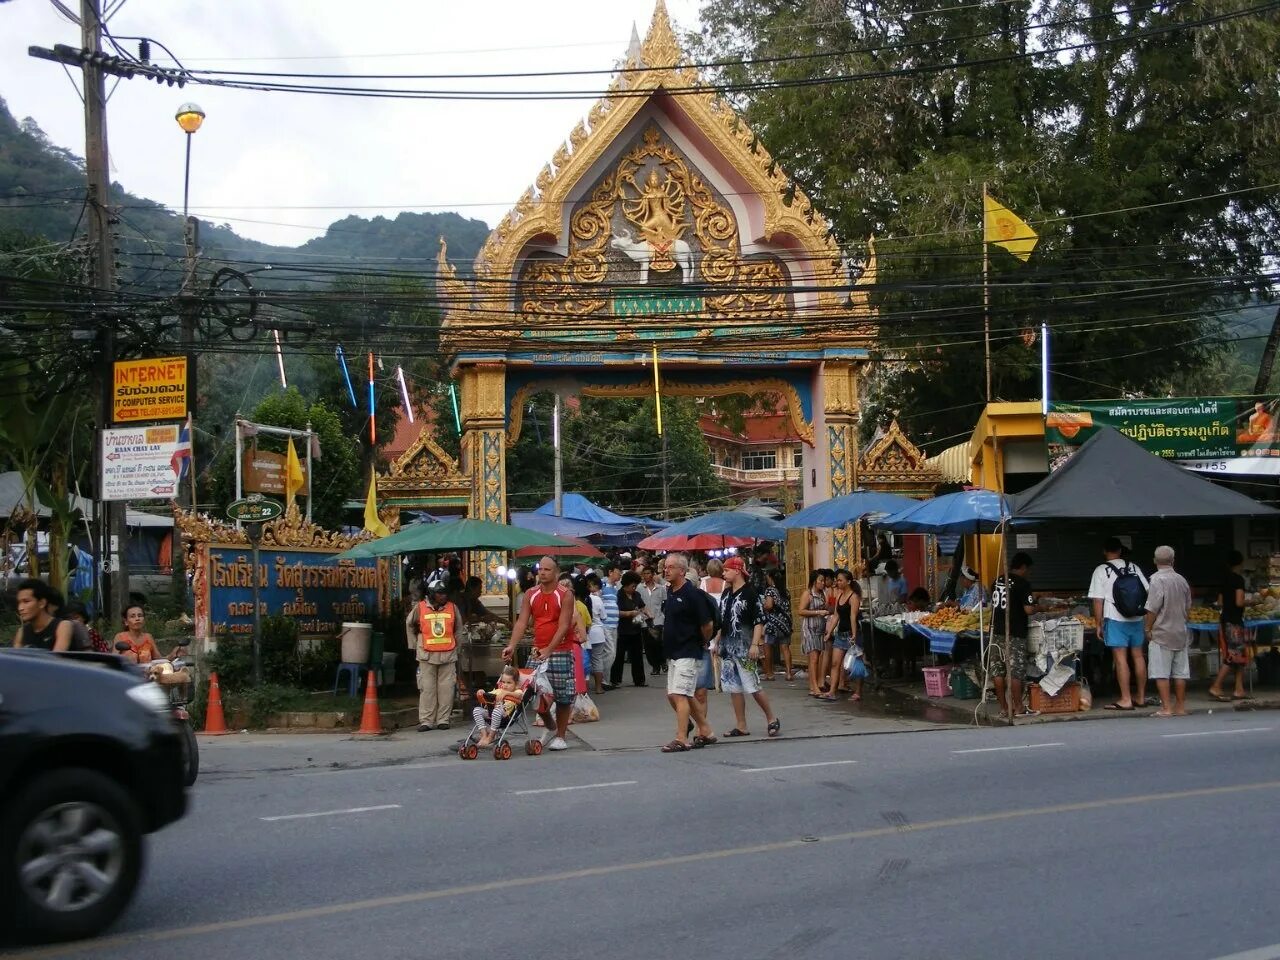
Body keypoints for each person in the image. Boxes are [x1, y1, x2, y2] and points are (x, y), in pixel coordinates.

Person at [503, 556, 576, 751]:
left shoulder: (565, 594)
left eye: (547, 569)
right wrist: (512, 645)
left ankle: (561, 736)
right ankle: (551, 727)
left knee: (562, 697)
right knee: (532, 693)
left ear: (556, 572)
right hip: (537, 651)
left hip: (560, 650)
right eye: (540, 569)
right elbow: (522, 621)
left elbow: (564, 625)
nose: (542, 572)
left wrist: (549, 649)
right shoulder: (530, 593)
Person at [717, 556, 781, 737]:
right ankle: (741, 725)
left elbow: (758, 621)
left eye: (726, 570)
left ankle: (771, 718)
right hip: (727, 647)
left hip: (745, 647)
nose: (723, 573)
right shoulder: (726, 594)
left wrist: (755, 644)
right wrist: (717, 641)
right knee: (733, 687)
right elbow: (722, 620)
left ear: (737, 570)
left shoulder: (750, 593)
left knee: (753, 685)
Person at [659, 552, 717, 753]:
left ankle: (681, 738)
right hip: (674, 652)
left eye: (671, 567)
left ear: (682, 571)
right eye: (665, 567)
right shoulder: (670, 591)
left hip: (688, 650)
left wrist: (703, 641)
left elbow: (707, 624)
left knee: (680, 694)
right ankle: (705, 729)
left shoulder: (692, 594)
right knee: (675, 695)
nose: (666, 570)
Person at [1089, 537, 1151, 710]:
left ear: (1104, 551)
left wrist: (1098, 624)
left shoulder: (1101, 570)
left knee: (1120, 658)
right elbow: (1148, 591)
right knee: (1138, 656)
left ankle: (1125, 699)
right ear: (1120, 550)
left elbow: (1098, 600)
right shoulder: (1134, 567)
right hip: (1137, 618)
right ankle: (1141, 697)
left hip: (1114, 619)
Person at [1144, 545, 1193, 718]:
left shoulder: (1156, 580)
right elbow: (1188, 607)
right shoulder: (1182, 580)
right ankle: (1180, 707)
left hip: (1162, 633)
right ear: (1173, 560)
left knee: (1161, 673)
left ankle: (1166, 708)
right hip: (1180, 632)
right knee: (1180, 673)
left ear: (1155, 561)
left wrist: (1148, 628)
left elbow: (1152, 608)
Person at [409, 581, 462, 732]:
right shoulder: (420, 607)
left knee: (447, 689)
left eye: (445, 593)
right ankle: (426, 721)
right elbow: (410, 624)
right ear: (432, 594)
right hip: (426, 655)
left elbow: (458, 628)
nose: (443, 596)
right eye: (440, 593)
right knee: (427, 689)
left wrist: (458, 648)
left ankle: (443, 720)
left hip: (448, 654)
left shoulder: (453, 608)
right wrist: (415, 645)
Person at [989, 553, 1037, 720]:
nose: (1028, 573)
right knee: (1016, 671)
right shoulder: (1023, 584)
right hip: (1014, 632)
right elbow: (1028, 610)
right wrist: (1039, 607)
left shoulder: (997, 581)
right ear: (1023, 567)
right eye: (1028, 570)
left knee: (998, 671)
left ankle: (1004, 708)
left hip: (996, 632)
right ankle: (1018, 707)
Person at [1210, 549, 1249, 703]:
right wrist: (1253, 601)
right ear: (1241, 562)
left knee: (1240, 655)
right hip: (1235, 621)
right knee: (1234, 654)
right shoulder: (1238, 579)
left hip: (1225, 619)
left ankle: (1239, 689)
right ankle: (1216, 685)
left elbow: (1220, 602)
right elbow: (1239, 602)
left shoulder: (1224, 579)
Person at [821, 569, 860, 700]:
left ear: (848, 581)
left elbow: (853, 617)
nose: (837, 582)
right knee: (835, 664)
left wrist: (854, 634)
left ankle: (858, 691)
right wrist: (829, 633)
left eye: (840, 580)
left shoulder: (853, 597)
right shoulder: (839, 596)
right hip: (840, 634)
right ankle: (832, 691)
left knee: (855, 664)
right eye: (837, 580)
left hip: (850, 634)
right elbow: (836, 616)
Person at [11, 578, 74, 651]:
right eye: (19, 603)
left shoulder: (62, 626)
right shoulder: (22, 632)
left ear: (42, 603)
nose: (20, 608)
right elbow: (16, 656)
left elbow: (57, 656)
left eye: (26, 601)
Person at [610, 571, 648, 688]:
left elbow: (642, 607)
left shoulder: (636, 595)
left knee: (637, 656)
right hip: (622, 630)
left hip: (635, 628)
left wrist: (648, 613)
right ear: (626, 585)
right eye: (632, 586)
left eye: (635, 586)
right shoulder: (618, 595)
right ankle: (615, 680)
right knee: (619, 656)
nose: (634, 588)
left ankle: (639, 680)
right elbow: (616, 612)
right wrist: (629, 613)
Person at [472, 665, 524, 747]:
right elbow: (488, 695)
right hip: (491, 713)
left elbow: (520, 695)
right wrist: (482, 692)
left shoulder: (517, 691)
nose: (505, 685)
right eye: (503, 682)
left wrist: (506, 693)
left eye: (509, 683)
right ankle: (484, 735)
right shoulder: (498, 691)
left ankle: (491, 736)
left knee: (496, 711)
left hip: (505, 717)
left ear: (516, 684)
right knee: (476, 710)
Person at [799, 570, 829, 697]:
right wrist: (817, 612)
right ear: (814, 581)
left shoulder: (823, 594)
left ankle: (813, 686)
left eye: (823, 581)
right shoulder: (808, 594)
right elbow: (801, 611)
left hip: (820, 629)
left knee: (817, 658)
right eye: (820, 580)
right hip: (809, 629)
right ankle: (815, 687)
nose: (823, 583)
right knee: (814, 658)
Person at [761, 568, 793, 682]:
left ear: (771, 578)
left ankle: (769, 673)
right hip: (786, 623)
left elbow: (769, 605)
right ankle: (789, 673)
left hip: (773, 623)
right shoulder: (785, 591)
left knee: (767, 646)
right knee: (785, 647)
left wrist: (763, 605)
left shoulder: (770, 590)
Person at [638, 564, 668, 677]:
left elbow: (665, 603)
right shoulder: (639, 588)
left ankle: (662, 661)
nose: (646, 576)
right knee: (648, 645)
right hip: (645, 620)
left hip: (658, 619)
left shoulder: (661, 588)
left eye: (648, 573)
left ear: (653, 574)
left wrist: (663, 615)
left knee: (658, 642)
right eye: (644, 574)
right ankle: (655, 666)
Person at [585, 573, 609, 695]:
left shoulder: (582, 600)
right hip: (598, 632)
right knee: (597, 659)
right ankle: (599, 687)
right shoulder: (597, 599)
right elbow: (604, 616)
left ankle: (584, 689)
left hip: (586, 633)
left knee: (585, 660)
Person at [598, 561, 621, 685]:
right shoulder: (602, 584)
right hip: (605, 624)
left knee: (611, 653)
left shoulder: (615, 588)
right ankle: (602, 679)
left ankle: (605, 679)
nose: (620, 575)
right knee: (610, 653)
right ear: (610, 572)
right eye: (618, 572)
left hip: (614, 625)